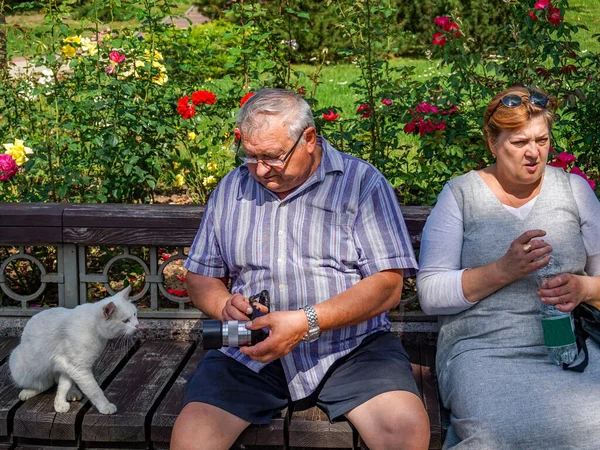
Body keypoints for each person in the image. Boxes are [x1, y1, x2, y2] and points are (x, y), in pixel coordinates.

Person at [171, 88, 430, 450]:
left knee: (404, 430)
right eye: (250, 156)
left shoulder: (361, 183)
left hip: (352, 348)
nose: (260, 170)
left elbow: (387, 286)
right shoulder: (232, 188)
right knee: (192, 439)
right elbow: (201, 276)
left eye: (273, 157)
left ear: (308, 138)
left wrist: (307, 321)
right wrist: (223, 305)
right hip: (251, 349)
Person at [417, 85, 600, 449]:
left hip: (569, 349)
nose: (534, 153)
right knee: (498, 431)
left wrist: (585, 289)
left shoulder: (574, 191)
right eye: (519, 143)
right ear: (492, 142)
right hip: (482, 351)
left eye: (542, 140)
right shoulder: (461, 195)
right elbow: (431, 294)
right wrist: (503, 270)